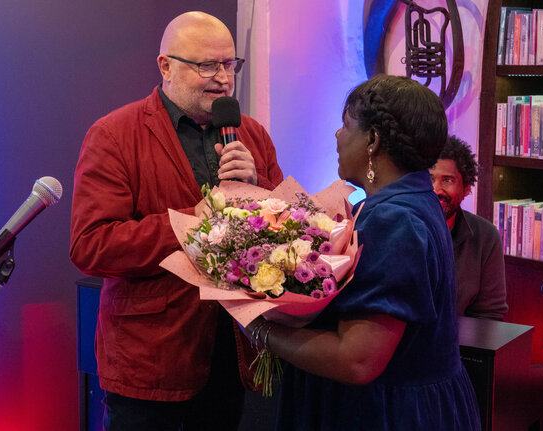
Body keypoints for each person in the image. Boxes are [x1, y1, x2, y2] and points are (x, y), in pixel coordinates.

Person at [69, 11, 283, 431]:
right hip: (151, 362)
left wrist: (259, 190)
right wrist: (195, 223)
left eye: (230, 64)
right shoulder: (114, 134)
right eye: (207, 65)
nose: (223, 78)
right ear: (165, 66)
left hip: (236, 353)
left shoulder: (252, 134)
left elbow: (285, 231)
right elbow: (91, 245)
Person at [243, 75, 481, 430]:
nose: (337, 134)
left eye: (346, 124)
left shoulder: (393, 219)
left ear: (373, 140)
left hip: (387, 413)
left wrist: (258, 327)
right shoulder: (415, 200)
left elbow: (357, 360)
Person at [429, 136, 508, 321]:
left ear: (466, 188)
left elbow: (489, 316)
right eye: (429, 179)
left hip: (462, 338)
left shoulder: (486, 237)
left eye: (447, 180)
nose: (436, 189)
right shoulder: (400, 230)